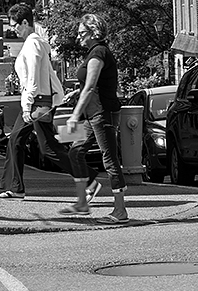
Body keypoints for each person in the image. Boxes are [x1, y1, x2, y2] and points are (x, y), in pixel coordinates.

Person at [0, 3, 98, 199]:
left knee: (47, 148)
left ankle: (89, 180)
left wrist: (27, 106)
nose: (13, 29)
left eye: (14, 24)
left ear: (25, 22)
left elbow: (33, 79)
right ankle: (15, 187)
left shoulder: (33, 44)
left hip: (36, 103)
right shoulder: (36, 43)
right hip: (40, 101)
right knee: (18, 141)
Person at [62, 14, 128, 223]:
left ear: (93, 32)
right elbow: (89, 85)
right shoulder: (94, 52)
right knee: (74, 151)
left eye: (82, 33)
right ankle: (83, 199)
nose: (78, 36)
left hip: (102, 114)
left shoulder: (99, 52)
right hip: (91, 116)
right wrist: (75, 93)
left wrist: (73, 116)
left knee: (110, 160)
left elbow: (91, 87)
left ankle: (120, 211)